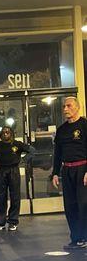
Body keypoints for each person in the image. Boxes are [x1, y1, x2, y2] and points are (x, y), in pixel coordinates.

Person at [52, 96, 87, 250]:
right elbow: (57, 153)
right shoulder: (61, 130)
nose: (65, 109)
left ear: (77, 107)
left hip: (82, 169)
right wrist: (54, 173)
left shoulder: (85, 125)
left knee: (83, 204)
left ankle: (84, 237)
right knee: (70, 205)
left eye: (69, 106)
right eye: (64, 107)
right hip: (67, 170)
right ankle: (76, 238)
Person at [0, 126, 34, 232]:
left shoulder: (17, 144)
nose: (5, 134)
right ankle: (0, 223)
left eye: (7, 132)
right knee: (1, 196)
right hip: (2, 171)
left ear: (11, 133)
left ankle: (13, 222)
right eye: (3, 132)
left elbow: (32, 150)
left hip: (14, 171)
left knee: (15, 196)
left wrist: (24, 160)